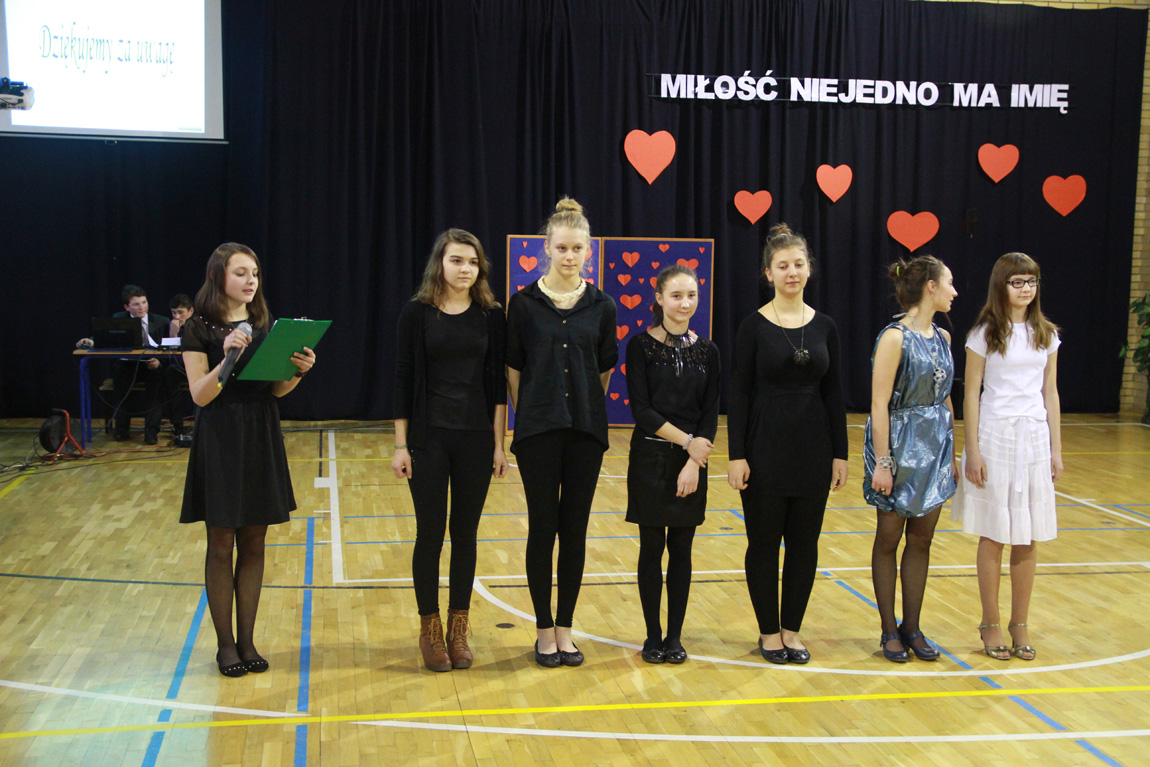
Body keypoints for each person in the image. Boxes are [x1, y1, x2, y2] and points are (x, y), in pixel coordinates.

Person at [179, 242, 316, 677]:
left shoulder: (265, 323)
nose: (250, 280)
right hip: (220, 435)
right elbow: (200, 395)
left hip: (260, 432)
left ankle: (248, 641)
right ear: (218, 276)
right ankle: (225, 646)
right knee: (221, 542)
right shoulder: (197, 326)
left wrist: (297, 371)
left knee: (255, 541)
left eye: (254, 273)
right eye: (241, 272)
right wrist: (227, 358)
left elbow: (275, 388)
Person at [727, 224, 849, 665]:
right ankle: (768, 632)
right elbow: (739, 394)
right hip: (764, 450)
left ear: (809, 269)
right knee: (763, 545)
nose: (792, 272)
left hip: (813, 451)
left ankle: (791, 630)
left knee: (804, 545)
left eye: (798, 264)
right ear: (769, 273)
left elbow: (834, 393)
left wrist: (841, 453)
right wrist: (736, 455)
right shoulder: (753, 326)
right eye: (783, 266)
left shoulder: (826, 326)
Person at [506, 197, 617, 668]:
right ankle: (543, 629)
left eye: (577, 248)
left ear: (588, 251)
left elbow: (603, 370)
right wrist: (534, 411)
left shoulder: (602, 306)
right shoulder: (523, 304)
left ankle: (566, 630)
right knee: (542, 529)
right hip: (538, 432)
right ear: (546, 249)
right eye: (562, 248)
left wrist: (582, 407)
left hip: (585, 432)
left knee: (574, 531)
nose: (570, 256)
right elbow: (514, 370)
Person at [392, 228, 508, 672]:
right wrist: (400, 445)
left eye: (473, 262)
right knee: (429, 535)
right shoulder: (416, 313)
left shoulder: (491, 315)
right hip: (428, 439)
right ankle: (430, 628)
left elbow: (497, 385)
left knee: (465, 535)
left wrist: (499, 445)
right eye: (457, 260)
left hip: (475, 439)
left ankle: (459, 629)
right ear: (439, 263)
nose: (465, 269)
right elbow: (402, 380)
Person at [951, 253, 1062, 661]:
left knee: (1028, 534)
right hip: (995, 436)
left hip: (1033, 437)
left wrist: (1056, 449)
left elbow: (1050, 392)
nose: (1026, 289)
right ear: (1002, 285)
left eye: (1031, 281)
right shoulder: (984, 334)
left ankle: (1020, 623)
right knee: (995, 532)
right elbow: (971, 393)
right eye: (1017, 282)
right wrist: (973, 450)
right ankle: (991, 622)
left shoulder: (1046, 334)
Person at [863, 255, 959, 663]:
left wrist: (952, 452)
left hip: (935, 445)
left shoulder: (944, 336)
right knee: (889, 538)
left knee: (922, 540)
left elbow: (946, 397)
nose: (955, 292)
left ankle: (912, 627)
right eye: (949, 283)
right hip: (900, 445)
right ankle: (889, 629)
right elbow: (879, 403)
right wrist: (883, 462)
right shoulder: (894, 337)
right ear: (931, 287)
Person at [625, 265, 720, 664]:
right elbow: (643, 411)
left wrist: (694, 461)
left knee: (682, 549)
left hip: (691, 464)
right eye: (677, 295)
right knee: (651, 548)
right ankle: (652, 636)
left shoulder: (708, 351)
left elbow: (710, 413)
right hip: (650, 458)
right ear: (659, 298)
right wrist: (688, 443)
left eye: (691, 295)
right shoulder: (640, 347)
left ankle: (675, 637)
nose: (684, 303)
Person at [75, 285, 171, 444]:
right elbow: (105, 337)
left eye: (144, 302)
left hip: (151, 365)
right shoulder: (119, 318)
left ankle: (151, 431)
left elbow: (171, 348)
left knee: (156, 384)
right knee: (120, 374)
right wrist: (91, 341)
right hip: (128, 365)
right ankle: (121, 429)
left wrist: (159, 361)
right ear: (127, 307)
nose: (142, 307)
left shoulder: (162, 321)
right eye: (136, 304)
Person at [166, 293, 197, 438]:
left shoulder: (198, 325)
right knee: (170, 372)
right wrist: (173, 335)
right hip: (180, 366)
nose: (177, 317)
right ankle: (177, 425)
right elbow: (170, 355)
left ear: (191, 311)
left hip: (198, 365)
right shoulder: (171, 325)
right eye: (173, 313)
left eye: (180, 312)